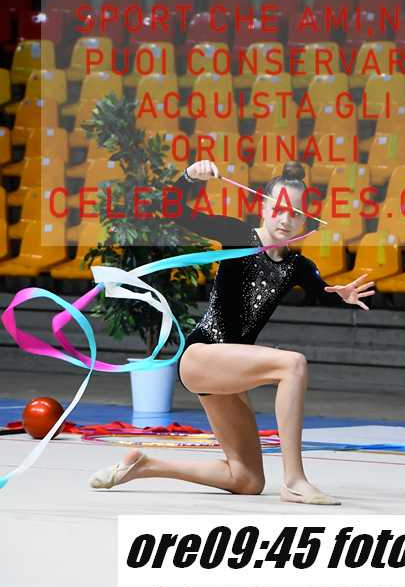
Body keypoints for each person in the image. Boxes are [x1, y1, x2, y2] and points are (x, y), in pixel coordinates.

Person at [89, 159, 375, 504]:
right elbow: (175, 211)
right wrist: (189, 178)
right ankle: (295, 480)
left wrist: (342, 295)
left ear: (305, 221)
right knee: (293, 365)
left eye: (294, 213)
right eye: (278, 209)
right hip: (202, 355)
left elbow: (322, 291)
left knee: (247, 479)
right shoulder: (239, 235)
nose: (285, 219)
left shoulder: (298, 266)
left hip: (229, 374)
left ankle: (145, 465)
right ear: (263, 208)